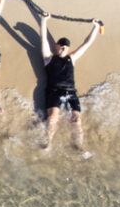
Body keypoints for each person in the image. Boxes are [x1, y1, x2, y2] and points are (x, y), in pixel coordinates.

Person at [39, 13, 102, 154]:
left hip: (70, 92)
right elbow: (43, 39)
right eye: (61, 46)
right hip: (54, 91)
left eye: (65, 47)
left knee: (76, 119)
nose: (63, 48)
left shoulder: (71, 58)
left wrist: (95, 27)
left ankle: (78, 146)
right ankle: (47, 144)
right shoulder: (48, 58)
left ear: (68, 48)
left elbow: (86, 43)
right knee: (53, 116)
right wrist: (44, 20)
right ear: (56, 46)